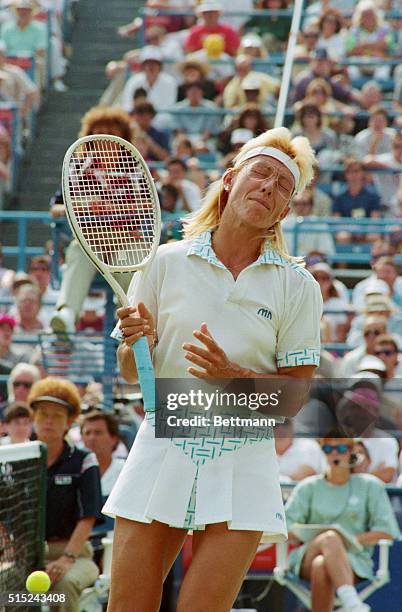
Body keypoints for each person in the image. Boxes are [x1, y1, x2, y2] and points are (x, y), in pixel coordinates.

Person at [103, 126, 322, 611]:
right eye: (260, 173)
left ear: (284, 211)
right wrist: (136, 345)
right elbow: (129, 372)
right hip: (163, 440)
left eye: (282, 186)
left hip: (244, 455)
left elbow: (295, 399)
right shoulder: (164, 262)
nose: (268, 187)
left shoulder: (299, 286)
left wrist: (231, 374)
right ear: (229, 180)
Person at [285, 431, 400, 612]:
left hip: (353, 560)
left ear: (352, 452)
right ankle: (352, 603)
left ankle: (350, 602)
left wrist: (350, 540)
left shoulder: (370, 486)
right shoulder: (307, 487)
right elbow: (285, 528)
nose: (334, 454)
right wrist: (324, 537)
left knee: (321, 565)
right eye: (328, 449)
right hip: (307, 555)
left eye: (340, 448)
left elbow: (387, 532)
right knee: (329, 538)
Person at [50, 106, 135, 334]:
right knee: (78, 252)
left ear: (123, 139)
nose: (105, 141)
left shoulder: (136, 169)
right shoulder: (77, 170)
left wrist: (111, 207)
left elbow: (149, 206)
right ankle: (67, 316)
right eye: (99, 135)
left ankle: (129, 320)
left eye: (112, 134)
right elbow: (56, 208)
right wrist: (86, 204)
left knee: (130, 260)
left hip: (126, 241)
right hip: (90, 242)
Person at [28, 377, 102, 612]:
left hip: (77, 554)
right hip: (28, 554)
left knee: (63, 587)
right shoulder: (20, 459)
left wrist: (67, 558)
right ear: (33, 417)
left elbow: (88, 516)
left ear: (69, 421)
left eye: (57, 415)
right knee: (7, 588)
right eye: (42, 413)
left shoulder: (84, 460)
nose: (48, 421)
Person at [80, 410, 125, 499]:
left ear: (114, 438)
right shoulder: (74, 471)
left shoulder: (125, 472)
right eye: (87, 433)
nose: (92, 438)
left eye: (98, 432)